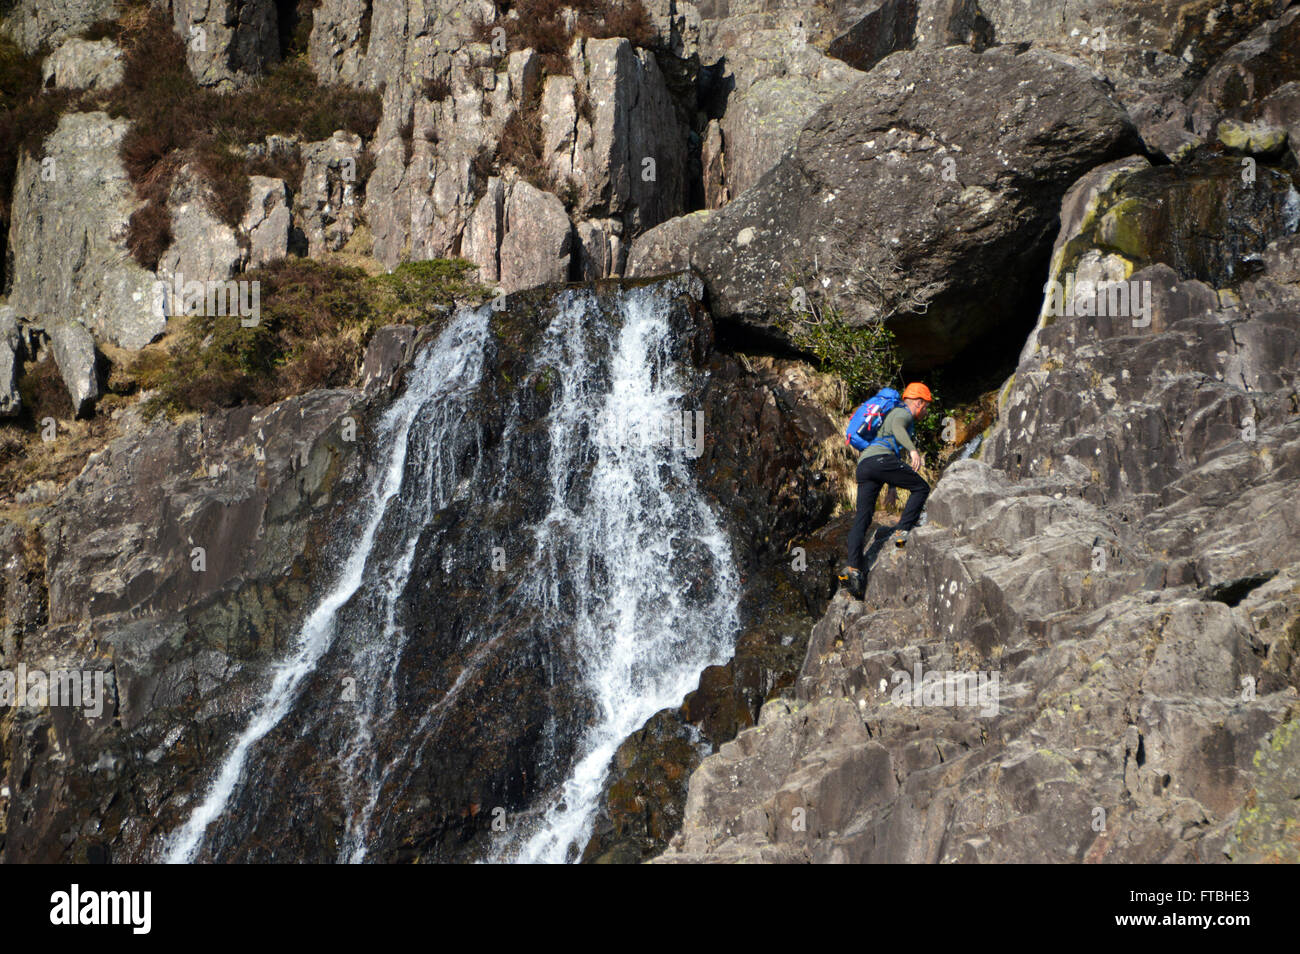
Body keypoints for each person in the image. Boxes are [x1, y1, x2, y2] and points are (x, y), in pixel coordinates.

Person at [840, 382, 932, 599]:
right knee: (921, 487)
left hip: (865, 464)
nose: (926, 412)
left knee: (862, 517)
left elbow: (888, 443)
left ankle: (853, 569)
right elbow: (899, 430)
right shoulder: (904, 413)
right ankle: (903, 531)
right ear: (918, 402)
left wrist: (891, 487)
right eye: (926, 407)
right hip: (881, 460)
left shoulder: (890, 414)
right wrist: (913, 451)